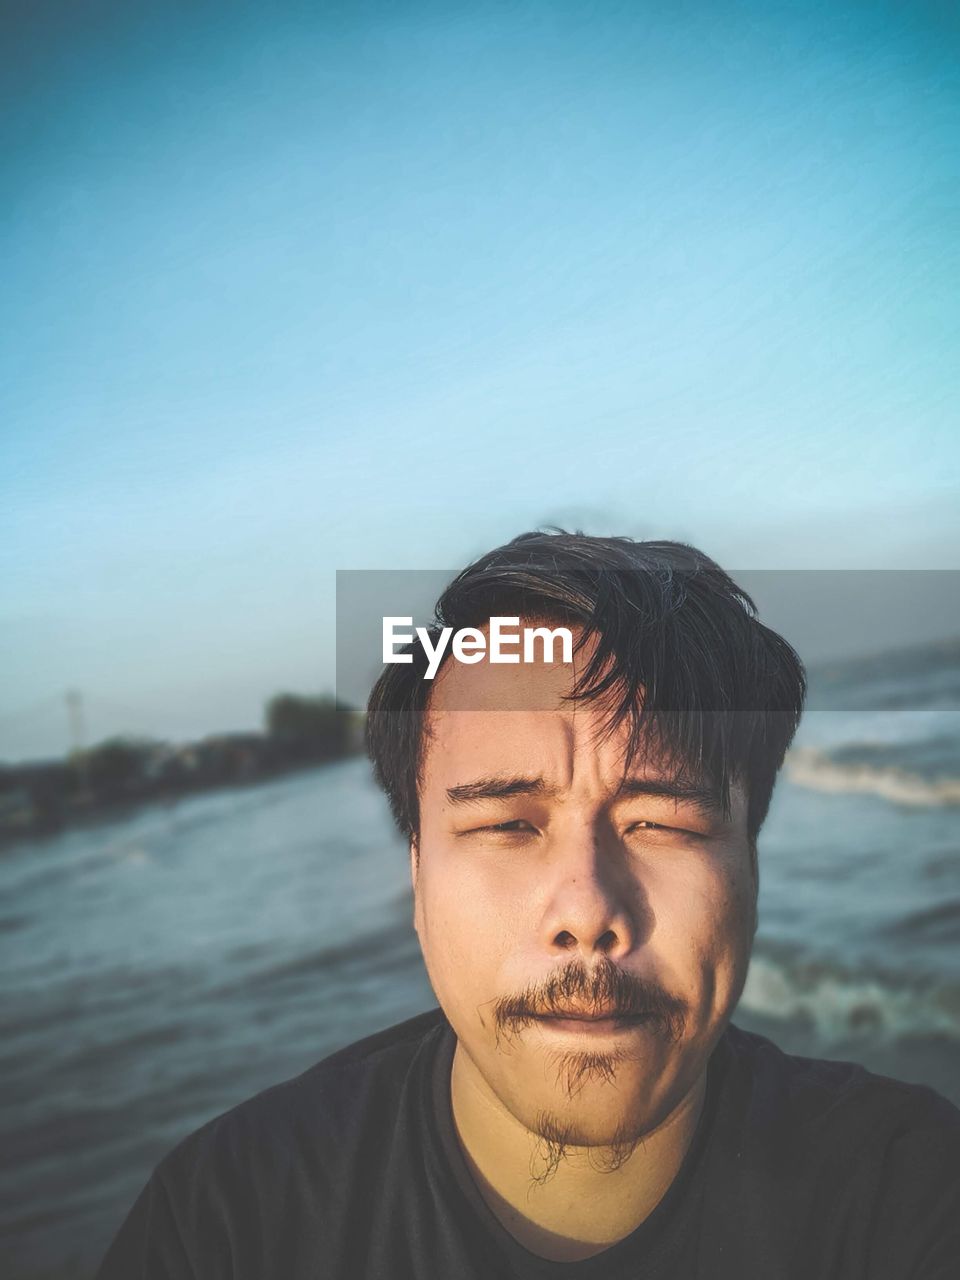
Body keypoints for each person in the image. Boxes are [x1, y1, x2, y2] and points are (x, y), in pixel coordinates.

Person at [96, 530, 960, 1279]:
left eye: (661, 822)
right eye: (507, 824)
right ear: (417, 879)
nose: (585, 910)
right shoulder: (228, 1223)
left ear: (751, 866)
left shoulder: (909, 1192)